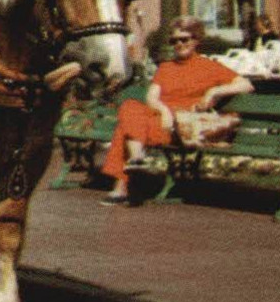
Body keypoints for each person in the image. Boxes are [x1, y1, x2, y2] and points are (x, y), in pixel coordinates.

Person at [99, 17, 255, 205]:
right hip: (160, 120)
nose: (179, 44)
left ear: (196, 40)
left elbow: (246, 85)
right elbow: (151, 97)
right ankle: (137, 158)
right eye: (174, 41)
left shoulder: (209, 67)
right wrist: (164, 110)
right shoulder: (166, 67)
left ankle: (123, 183)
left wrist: (215, 91)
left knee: (125, 129)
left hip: (179, 127)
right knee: (129, 107)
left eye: (185, 39)